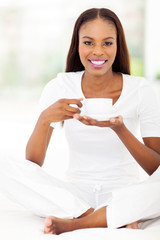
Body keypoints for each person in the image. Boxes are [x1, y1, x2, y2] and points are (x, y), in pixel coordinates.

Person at [0, 8, 160, 235]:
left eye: (107, 43)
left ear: (118, 45)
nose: (98, 52)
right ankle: (105, 215)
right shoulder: (59, 87)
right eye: (88, 42)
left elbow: (156, 168)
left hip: (125, 191)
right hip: (75, 194)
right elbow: (32, 165)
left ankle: (78, 223)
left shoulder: (140, 90)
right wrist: (44, 119)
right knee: (4, 167)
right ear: (77, 45)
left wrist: (120, 130)